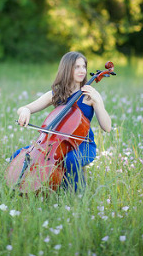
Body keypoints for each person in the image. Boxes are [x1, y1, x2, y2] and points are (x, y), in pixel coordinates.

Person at [12, 51, 112, 191]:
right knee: (20, 155)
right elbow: (25, 107)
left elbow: (107, 127)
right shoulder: (56, 94)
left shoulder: (90, 96)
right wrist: (25, 111)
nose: (82, 70)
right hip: (55, 144)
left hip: (83, 145)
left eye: (84, 66)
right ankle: (17, 190)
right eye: (76, 67)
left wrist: (98, 102)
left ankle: (77, 196)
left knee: (71, 159)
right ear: (66, 68)